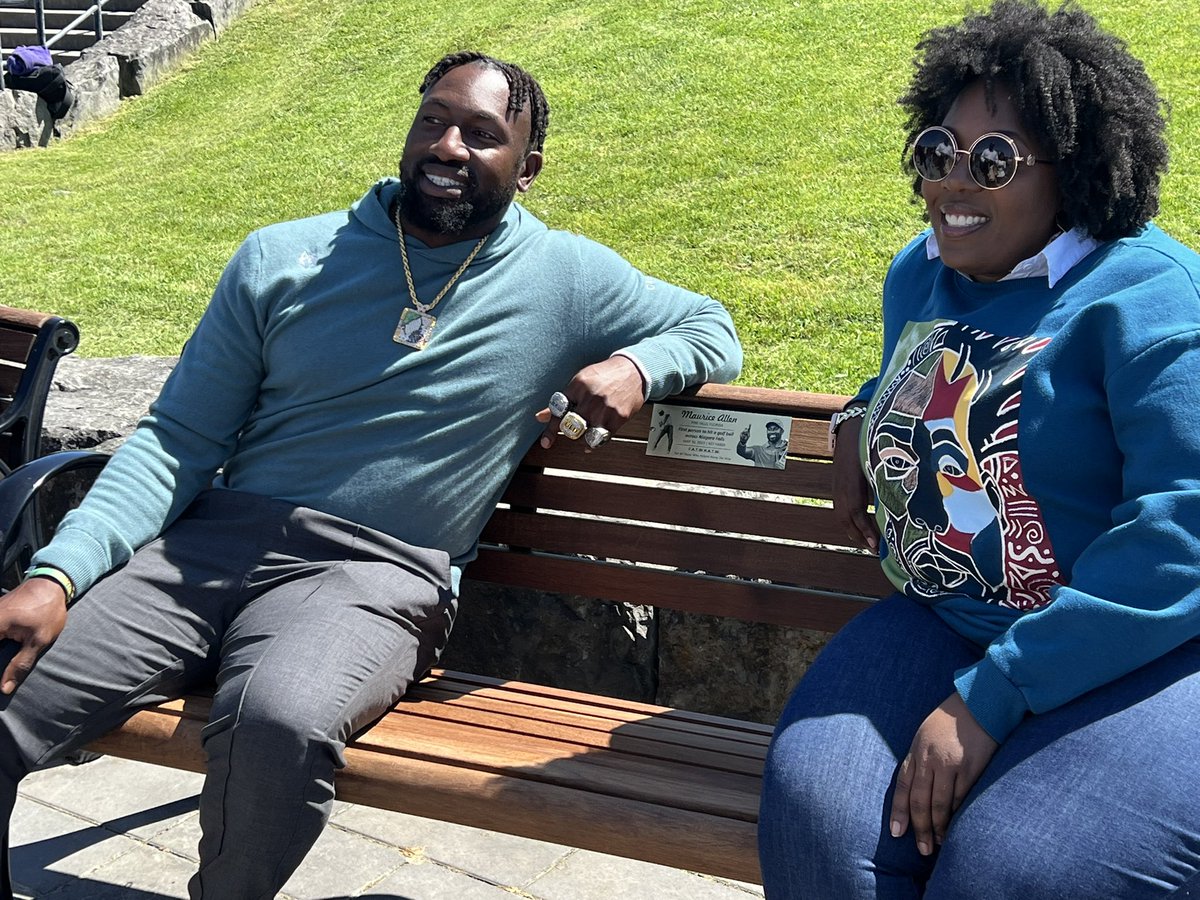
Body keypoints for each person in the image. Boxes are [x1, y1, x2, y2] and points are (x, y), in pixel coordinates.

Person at [0, 51, 741, 898]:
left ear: (527, 168)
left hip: (376, 573)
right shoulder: (282, 258)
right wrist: (58, 575)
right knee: (11, 673)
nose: (448, 145)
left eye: (482, 134)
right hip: (206, 549)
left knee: (277, 720)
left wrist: (641, 367)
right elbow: (177, 438)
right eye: (433, 119)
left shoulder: (566, 280)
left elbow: (709, 325)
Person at [758, 2, 1200, 897]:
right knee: (818, 835)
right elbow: (921, 386)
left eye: (992, 160)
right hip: (948, 616)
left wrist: (990, 698)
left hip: (1143, 648)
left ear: (1071, 171)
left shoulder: (1154, 304)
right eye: (936, 151)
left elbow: (1183, 532)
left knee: (1014, 872)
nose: (953, 184)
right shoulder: (923, 269)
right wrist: (855, 417)